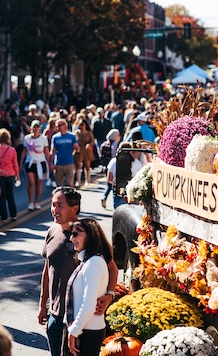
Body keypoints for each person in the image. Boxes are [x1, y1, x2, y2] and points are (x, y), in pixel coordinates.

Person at [39, 187, 117, 356]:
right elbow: (47, 269)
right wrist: (43, 304)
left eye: (60, 205)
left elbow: (112, 268)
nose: (55, 210)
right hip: (55, 315)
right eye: (53, 205)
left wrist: (110, 294)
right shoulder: (52, 232)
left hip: (79, 320)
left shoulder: (87, 236)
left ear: (74, 209)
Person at [65, 218, 112, 356]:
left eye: (76, 234)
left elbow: (88, 303)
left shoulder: (94, 262)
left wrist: (74, 331)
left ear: (90, 235)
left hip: (88, 331)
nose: (71, 238)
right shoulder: (88, 262)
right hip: (83, 329)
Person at [24, 120, 50, 211]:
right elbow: (24, 152)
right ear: (31, 128)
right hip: (30, 162)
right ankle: (30, 202)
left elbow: (46, 152)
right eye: (34, 127)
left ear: (40, 128)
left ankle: (37, 202)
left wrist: (50, 163)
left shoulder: (43, 138)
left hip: (40, 162)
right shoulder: (27, 138)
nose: (36, 129)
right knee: (31, 182)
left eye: (37, 127)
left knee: (39, 183)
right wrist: (20, 164)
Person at [0, 128, 20, 223]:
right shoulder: (12, 149)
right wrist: (17, 175)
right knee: (10, 195)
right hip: (10, 174)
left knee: (2, 195)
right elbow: (15, 164)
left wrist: (0, 170)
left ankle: (4, 216)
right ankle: (13, 214)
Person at [109, 142, 143, 208]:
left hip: (118, 193)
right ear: (130, 151)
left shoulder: (113, 162)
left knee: (118, 216)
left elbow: (109, 179)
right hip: (132, 194)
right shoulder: (136, 162)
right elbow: (140, 180)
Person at [51, 119, 79, 188]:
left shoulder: (72, 136)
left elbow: (77, 149)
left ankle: (70, 198)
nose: (58, 127)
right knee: (59, 185)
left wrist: (76, 148)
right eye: (57, 126)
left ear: (65, 125)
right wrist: (51, 163)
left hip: (69, 162)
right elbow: (53, 151)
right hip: (58, 163)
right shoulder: (55, 137)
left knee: (69, 184)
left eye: (60, 125)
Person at [98, 130, 120, 210]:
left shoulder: (103, 145)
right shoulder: (116, 145)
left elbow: (101, 157)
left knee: (109, 183)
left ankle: (104, 196)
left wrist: (104, 165)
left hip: (107, 167)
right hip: (114, 166)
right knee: (113, 184)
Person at [75, 121, 95, 187]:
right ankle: (78, 181)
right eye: (80, 125)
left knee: (87, 165)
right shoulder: (77, 133)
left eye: (82, 124)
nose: (81, 126)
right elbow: (74, 141)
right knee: (78, 165)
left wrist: (89, 144)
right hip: (79, 150)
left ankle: (87, 180)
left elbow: (92, 141)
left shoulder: (89, 133)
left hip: (87, 150)